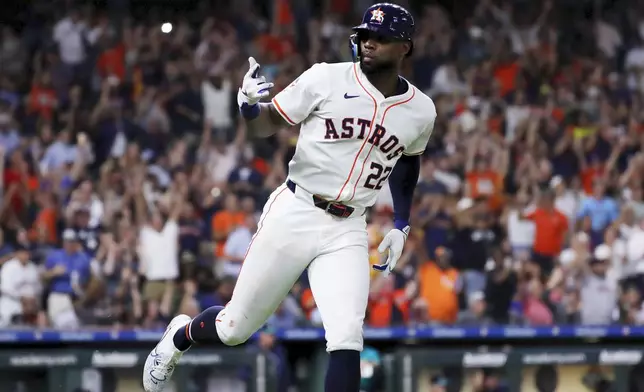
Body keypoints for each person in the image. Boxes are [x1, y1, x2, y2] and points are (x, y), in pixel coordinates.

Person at [143, 3, 436, 392]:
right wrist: (249, 106)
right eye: (366, 34)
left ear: (405, 47)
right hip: (297, 209)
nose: (369, 43)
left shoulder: (420, 110)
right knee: (234, 328)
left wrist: (401, 222)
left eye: (381, 38)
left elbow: (407, 163)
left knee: (347, 336)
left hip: (349, 226)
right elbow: (266, 126)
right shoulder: (325, 79)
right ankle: (180, 336)